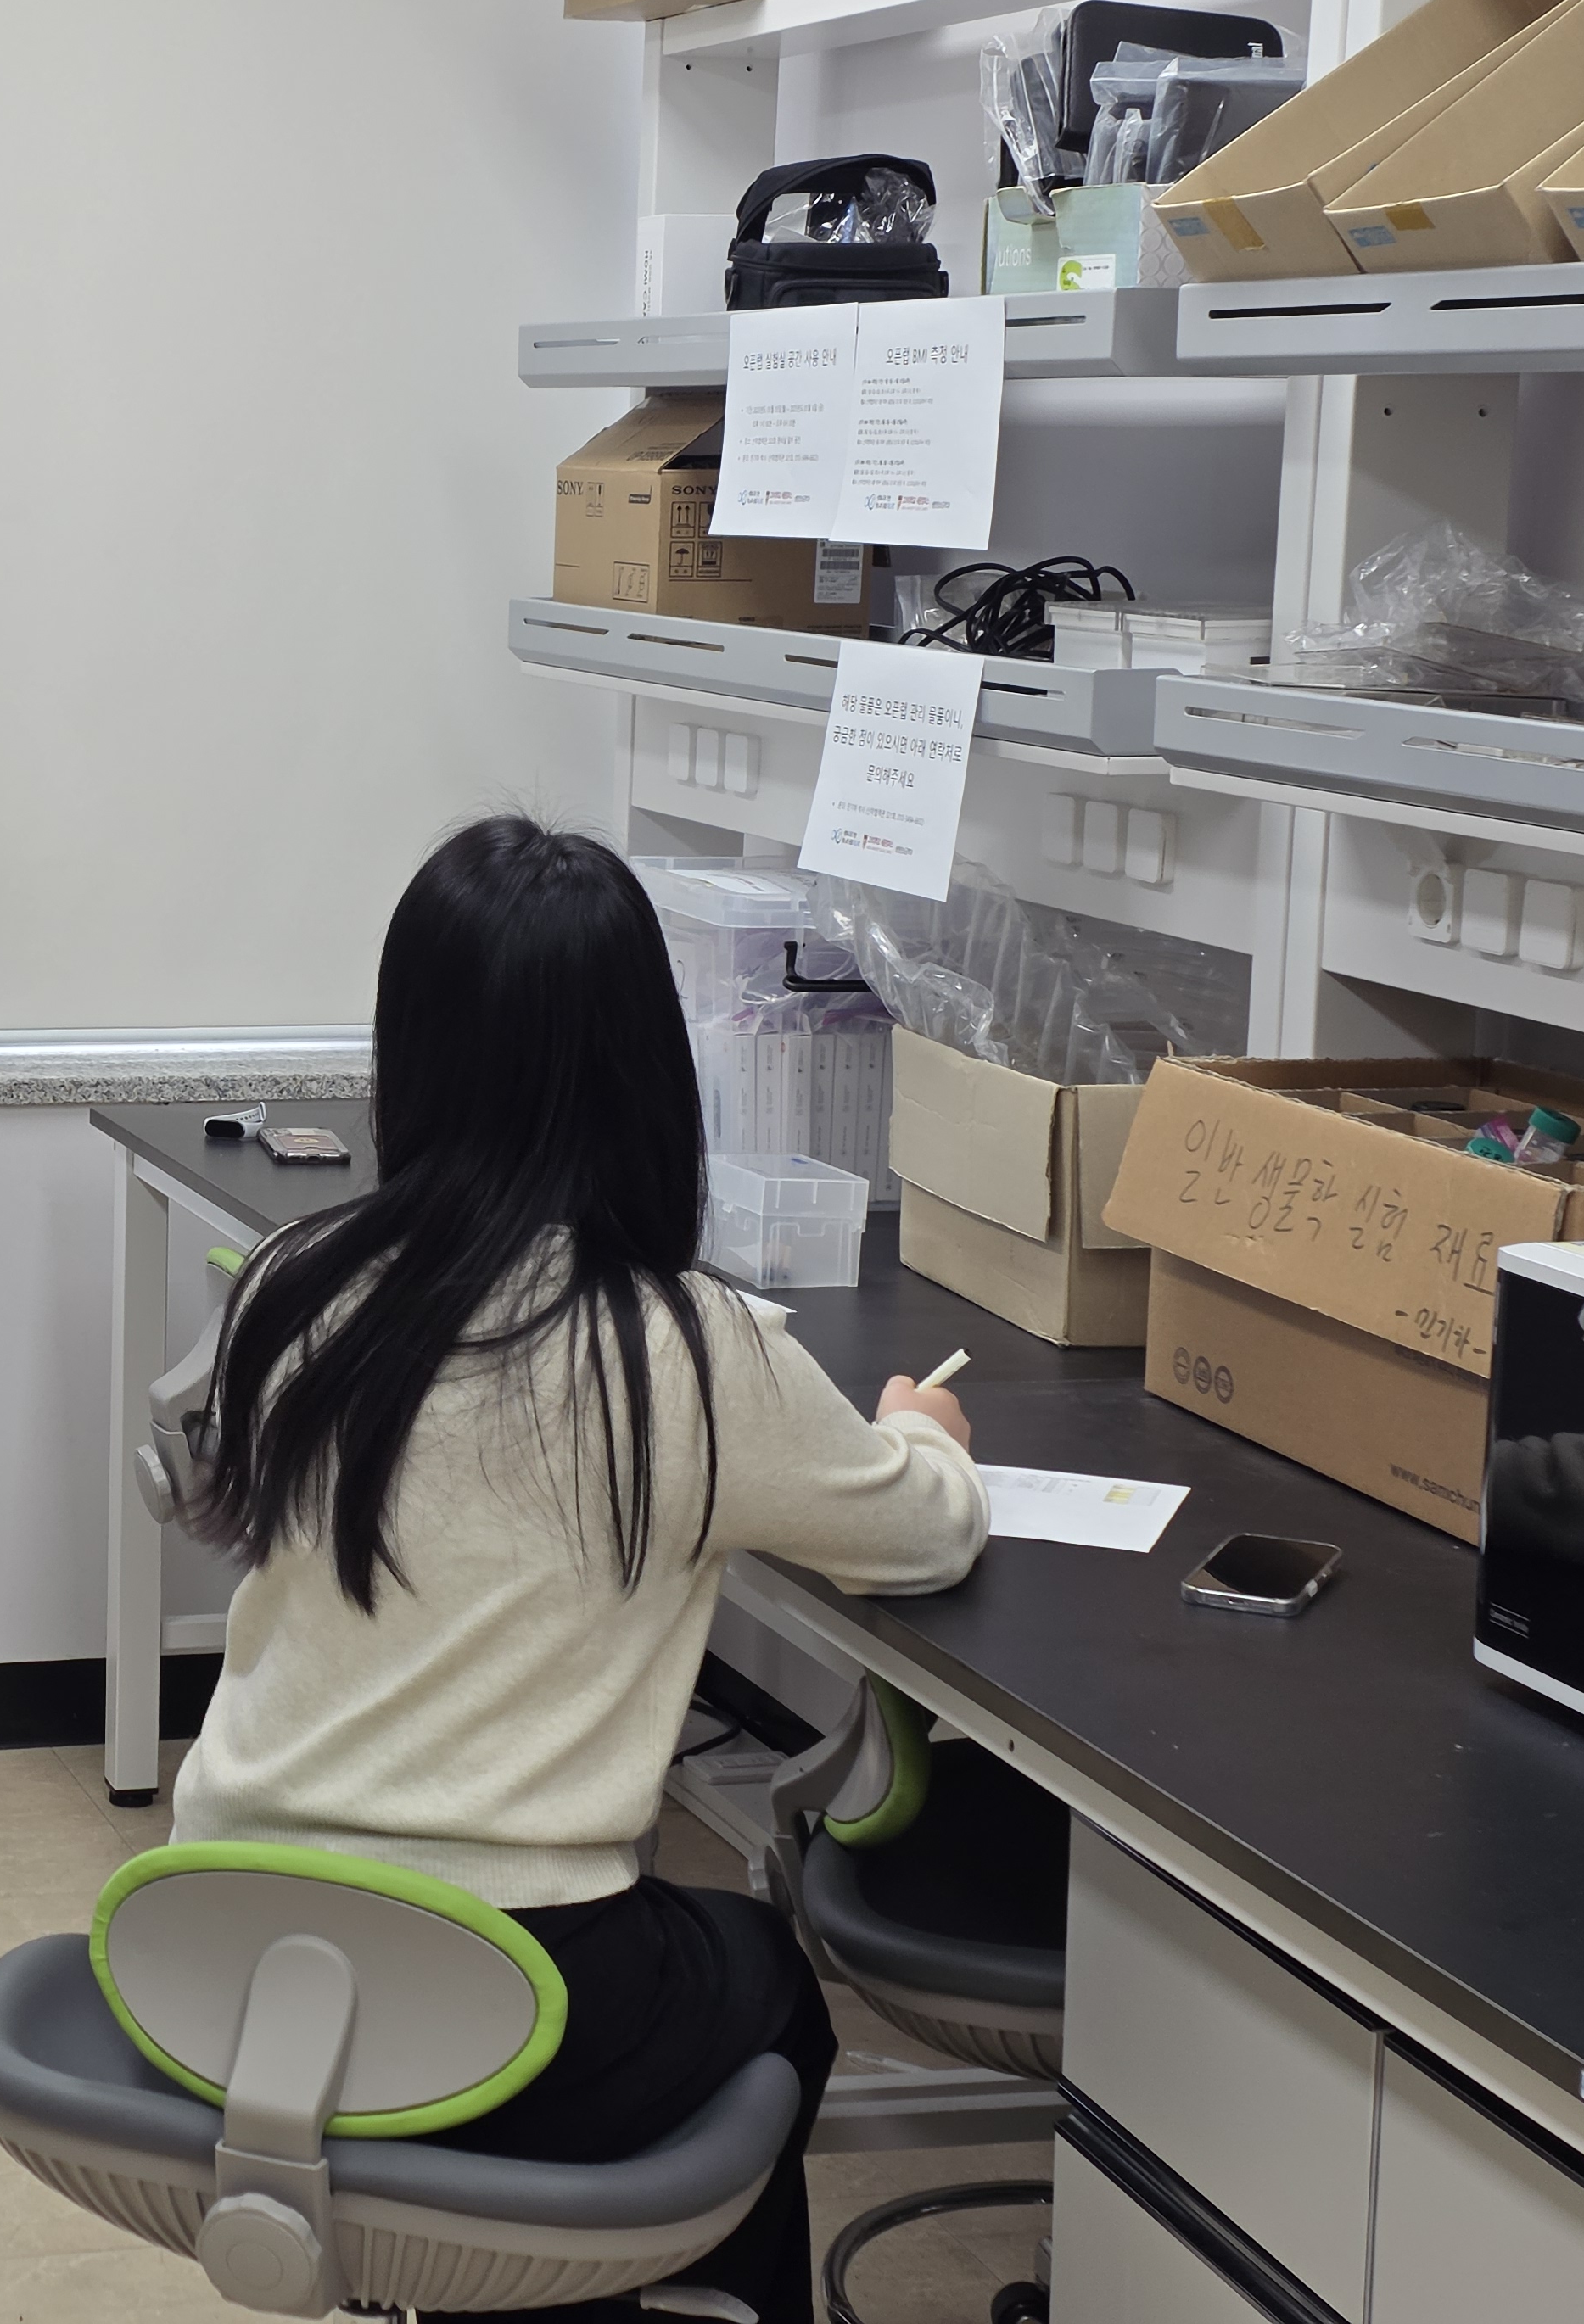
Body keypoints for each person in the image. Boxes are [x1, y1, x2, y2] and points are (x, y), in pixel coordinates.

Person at [169, 815, 986, 2324]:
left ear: (409, 1053)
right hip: (508, 1985)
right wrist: (925, 1434)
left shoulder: (293, 1288)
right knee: (764, 1985)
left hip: (231, 1953)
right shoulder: (686, 1347)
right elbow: (922, 1536)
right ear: (643, 1069)